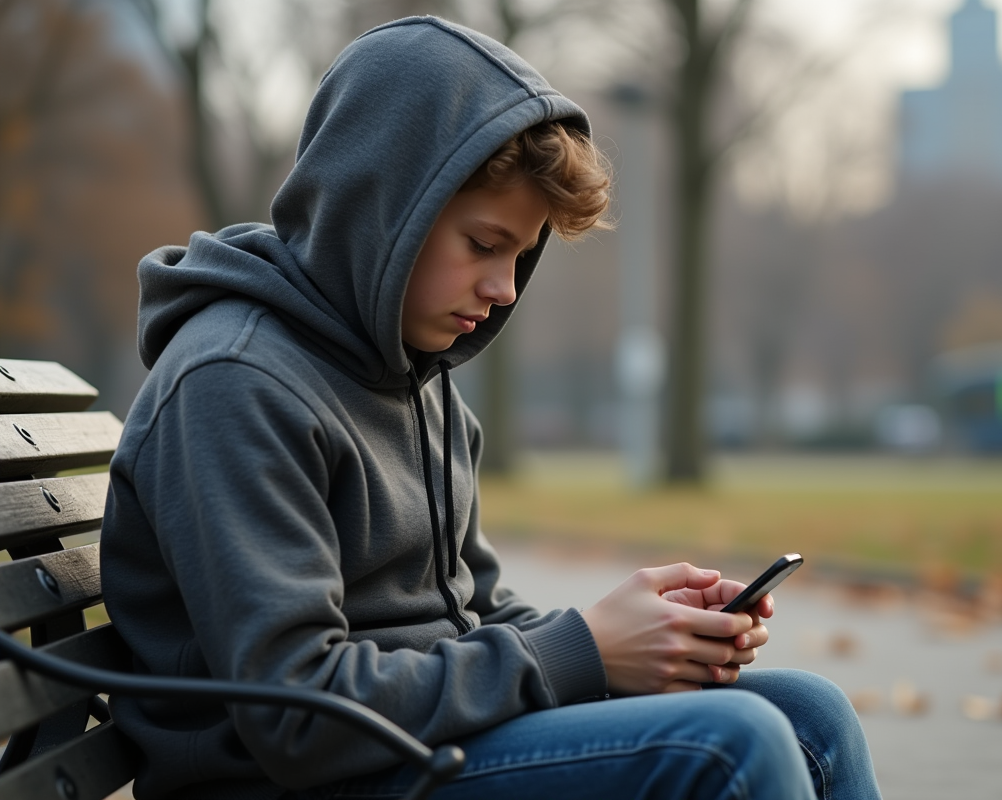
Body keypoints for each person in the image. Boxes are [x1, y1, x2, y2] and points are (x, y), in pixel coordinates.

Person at [101, 16, 881, 800]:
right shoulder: (233, 383)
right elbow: (298, 715)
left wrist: (645, 637)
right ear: (383, 214)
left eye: (519, 254)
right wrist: (582, 652)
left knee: (813, 715)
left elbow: (473, 612)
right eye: (483, 244)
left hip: (414, 748)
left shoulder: (414, 373)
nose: (505, 288)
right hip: (305, 777)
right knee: (729, 746)